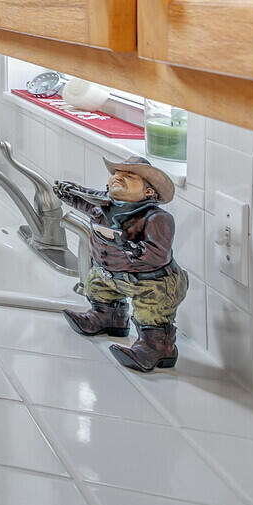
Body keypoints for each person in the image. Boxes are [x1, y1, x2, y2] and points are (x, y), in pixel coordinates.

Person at [54, 156, 187, 372]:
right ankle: (107, 317)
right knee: (97, 286)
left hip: (151, 283)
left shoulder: (156, 218)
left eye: (129, 176)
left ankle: (156, 346)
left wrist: (129, 246)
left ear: (149, 192)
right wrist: (68, 192)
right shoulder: (105, 205)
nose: (118, 177)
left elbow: (158, 254)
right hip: (110, 275)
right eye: (116, 174)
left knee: (151, 312)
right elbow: (84, 197)